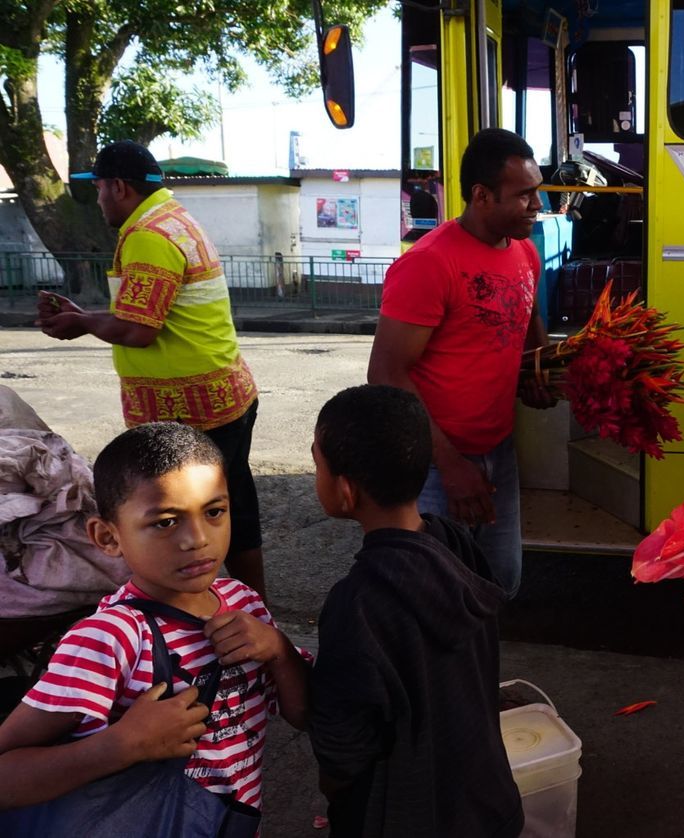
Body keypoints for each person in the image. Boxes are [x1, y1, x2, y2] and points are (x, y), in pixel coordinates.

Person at [0, 423, 308, 815]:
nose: (196, 538)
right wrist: (120, 746)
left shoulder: (243, 603)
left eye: (214, 512)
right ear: (108, 538)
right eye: (165, 522)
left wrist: (279, 650)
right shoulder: (109, 640)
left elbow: (303, 715)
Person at [34, 140, 268, 597]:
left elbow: (139, 329)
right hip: (220, 395)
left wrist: (81, 322)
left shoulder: (148, 235)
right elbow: (144, 315)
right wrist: (85, 317)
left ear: (118, 186)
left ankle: (207, 607)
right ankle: (251, 606)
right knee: (230, 503)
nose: (98, 198)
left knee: (182, 510)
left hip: (194, 410)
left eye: (100, 188)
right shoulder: (171, 220)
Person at [307, 385, 523, 837]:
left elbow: (342, 751)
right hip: (487, 805)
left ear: (346, 491)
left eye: (317, 465)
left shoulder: (357, 603)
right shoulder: (455, 544)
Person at [368, 127, 554, 599]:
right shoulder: (429, 263)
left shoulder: (525, 253)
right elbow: (386, 374)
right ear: (481, 196)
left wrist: (535, 374)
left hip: (498, 451)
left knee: (498, 584)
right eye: (525, 196)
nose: (538, 206)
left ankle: (474, 672)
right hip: (435, 463)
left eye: (539, 192)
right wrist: (449, 464)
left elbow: (528, 322)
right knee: (433, 595)